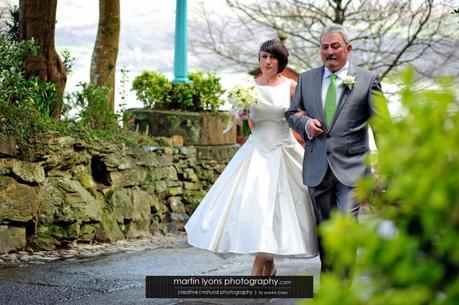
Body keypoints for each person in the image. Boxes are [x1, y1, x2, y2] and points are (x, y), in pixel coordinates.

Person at [185, 39, 318, 276]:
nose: (267, 62)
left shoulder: (291, 86)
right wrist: (242, 117)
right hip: (256, 152)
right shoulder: (249, 87)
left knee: (281, 209)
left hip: (284, 149)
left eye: (272, 58)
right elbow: (239, 121)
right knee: (256, 208)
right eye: (264, 57)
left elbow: (302, 116)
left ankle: (261, 264)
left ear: (281, 61)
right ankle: (266, 263)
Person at [285, 24, 387, 275]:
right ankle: (330, 286)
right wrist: (306, 123)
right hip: (317, 168)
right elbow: (292, 112)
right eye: (324, 47)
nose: (329, 52)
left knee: (345, 228)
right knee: (325, 231)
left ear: (348, 49)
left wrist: (387, 163)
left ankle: (343, 291)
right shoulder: (306, 78)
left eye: (335, 46)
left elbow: (383, 126)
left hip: (352, 169)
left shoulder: (368, 79)